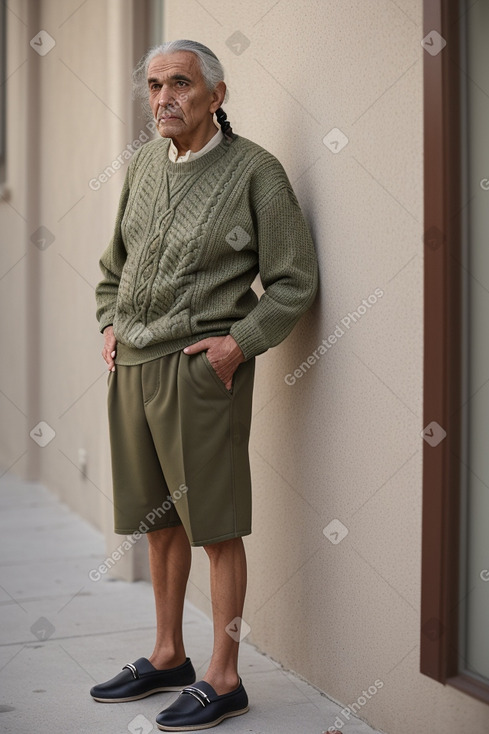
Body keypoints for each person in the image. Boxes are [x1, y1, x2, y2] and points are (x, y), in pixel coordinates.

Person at [92, 39, 318, 731]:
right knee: (156, 523)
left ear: (215, 96)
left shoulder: (255, 172)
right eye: (155, 85)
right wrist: (109, 319)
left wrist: (236, 345)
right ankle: (167, 656)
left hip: (197, 370)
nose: (163, 97)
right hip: (130, 366)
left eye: (180, 84)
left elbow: (293, 281)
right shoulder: (142, 165)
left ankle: (224, 677)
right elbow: (115, 262)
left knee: (213, 525)